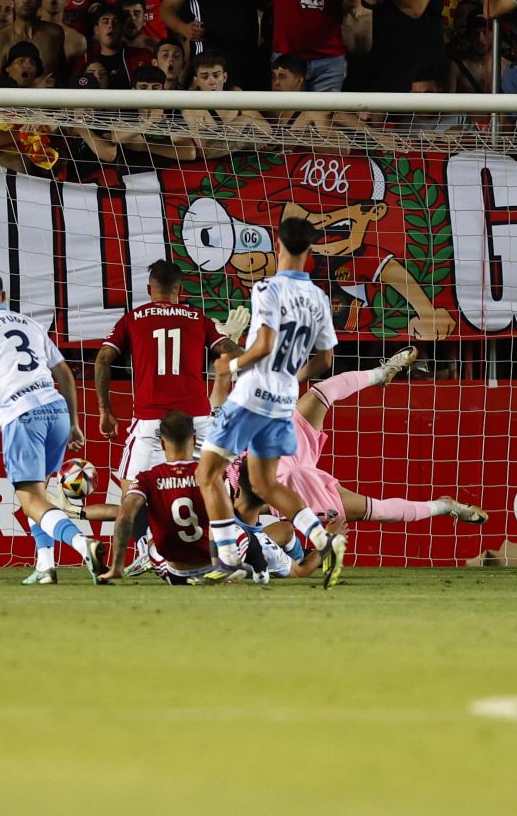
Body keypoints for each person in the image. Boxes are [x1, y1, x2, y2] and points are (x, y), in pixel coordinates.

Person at [220, 344, 486, 579]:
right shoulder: (256, 521)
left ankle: (382, 374)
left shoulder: (219, 490)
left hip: (274, 451)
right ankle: (443, 506)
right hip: (293, 483)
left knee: (322, 391)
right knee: (375, 511)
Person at [194, 217, 345, 586]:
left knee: (207, 474)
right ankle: (324, 540)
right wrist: (289, 378)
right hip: (282, 399)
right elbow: (326, 361)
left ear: (277, 245)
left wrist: (229, 364)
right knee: (264, 485)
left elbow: (262, 345)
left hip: (253, 393)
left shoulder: (267, 287)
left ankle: (229, 560)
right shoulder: (318, 298)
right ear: (309, 251)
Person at [0, 267, 108, 585]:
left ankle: (83, 545)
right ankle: (45, 566)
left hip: (21, 414)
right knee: (39, 495)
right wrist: (75, 423)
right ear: (4, 297)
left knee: (30, 499)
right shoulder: (31, 324)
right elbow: (64, 373)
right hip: (56, 409)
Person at [93, 259, 237, 493]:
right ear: (179, 290)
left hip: (150, 420)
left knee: (132, 497)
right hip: (198, 421)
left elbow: (102, 360)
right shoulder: (199, 319)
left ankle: (141, 531)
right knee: (214, 492)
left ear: (149, 289)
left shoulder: (133, 318)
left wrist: (104, 410)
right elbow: (234, 355)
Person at [107, 409, 213, 583]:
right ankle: (259, 566)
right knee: (237, 529)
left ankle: (148, 554)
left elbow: (125, 516)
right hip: (212, 562)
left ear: (162, 444)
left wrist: (117, 567)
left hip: (175, 573)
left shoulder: (147, 478)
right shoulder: (210, 475)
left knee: (150, 543)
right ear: (194, 440)